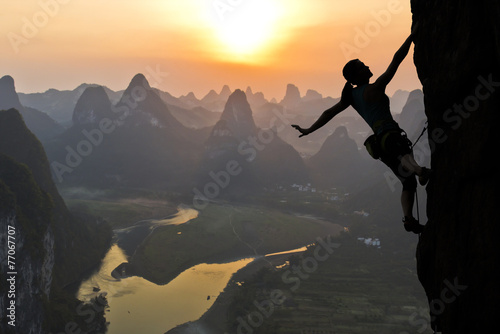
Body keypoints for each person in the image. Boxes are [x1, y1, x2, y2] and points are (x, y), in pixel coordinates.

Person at [292, 29, 430, 234]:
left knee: (406, 181)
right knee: (403, 156)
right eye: (362, 66)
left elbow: (330, 112)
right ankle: (420, 171)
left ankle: (408, 218)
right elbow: (396, 61)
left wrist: (310, 129)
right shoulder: (374, 88)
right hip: (390, 135)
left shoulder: (352, 96)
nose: (367, 66)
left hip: (379, 144)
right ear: (357, 75)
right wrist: (412, 37)